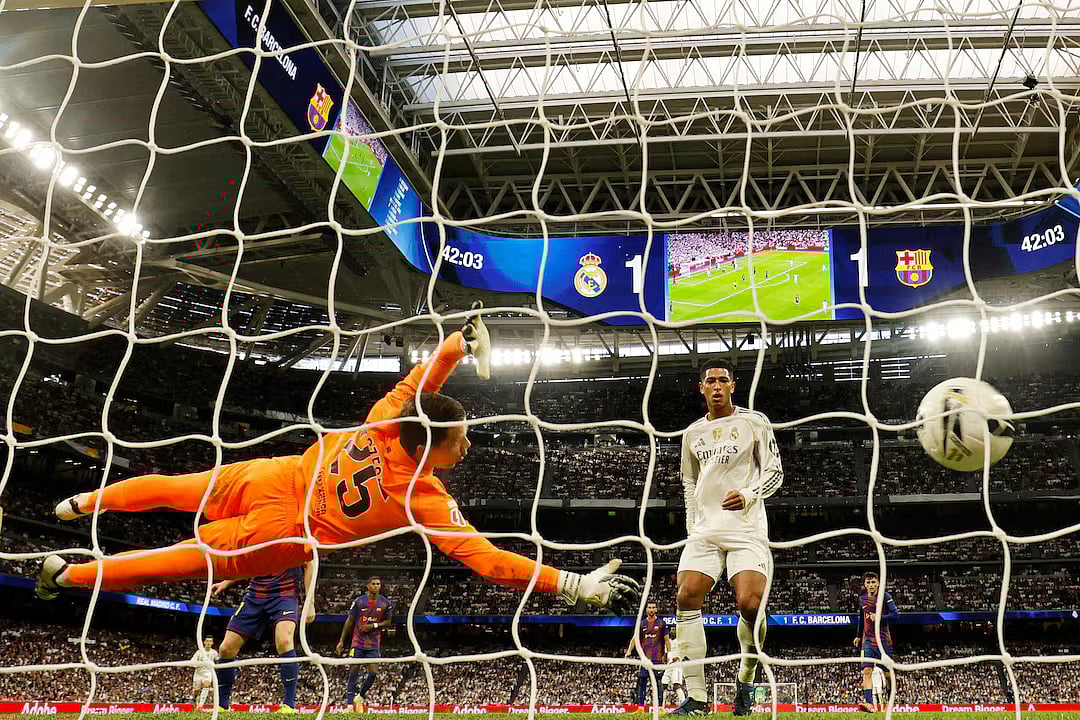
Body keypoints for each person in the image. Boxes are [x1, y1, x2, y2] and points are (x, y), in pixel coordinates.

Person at [35, 305, 640, 618]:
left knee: (175, 486)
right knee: (178, 562)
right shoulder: (423, 497)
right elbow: (489, 561)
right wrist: (568, 583)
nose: (468, 446)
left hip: (277, 473)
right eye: (459, 441)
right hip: (287, 531)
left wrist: (458, 344)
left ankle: (83, 503)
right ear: (426, 449)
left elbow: (420, 381)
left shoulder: (387, 417)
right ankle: (66, 576)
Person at [670, 359, 784, 717]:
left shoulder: (755, 422)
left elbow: (775, 472)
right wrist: (692, 526)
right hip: (705, 531)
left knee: (750, 603)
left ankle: (746, 679)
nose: (716, 386)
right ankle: (697, 698)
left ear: (733, 385)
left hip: (746, 529)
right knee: (686, 595)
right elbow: (689, 482)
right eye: (710, 381)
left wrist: (749, 495)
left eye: (723, 380)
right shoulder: (692, 433)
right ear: (701, 388)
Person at [210, 564, 316, 712]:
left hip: (285, 593)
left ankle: (289, 705)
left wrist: (310, 603)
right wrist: (227, 582)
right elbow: (250, 564)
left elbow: (310, 563)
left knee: (284, 641)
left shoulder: (295, 546)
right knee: (226, 648)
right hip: (255, 594)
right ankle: (222, 705)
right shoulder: (256, 546)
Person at [336, 576, 392, 711]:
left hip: (373, 644)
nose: (376, 586)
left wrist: (374, 626)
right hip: (357, 642)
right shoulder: (359, 602)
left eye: (378, 584)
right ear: (368, 586)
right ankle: (350, 704)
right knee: (353, 671)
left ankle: (360, 696)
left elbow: (388, 622)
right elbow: (350, 620)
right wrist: (342, 640)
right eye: (373, 584)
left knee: (373, 674)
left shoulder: (385, 603)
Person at [854, 572, 898, 713]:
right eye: (868, 582)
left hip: (883, 640)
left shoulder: (885, 597)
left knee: (888, 674)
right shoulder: (862, 599)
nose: (871, 585)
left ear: (878, 583)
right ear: (865, 584)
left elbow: (895, 615)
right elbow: (862, 618)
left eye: (873, 582)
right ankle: (869, 704)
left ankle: (890, 703)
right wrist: (858, 636)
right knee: (867, 671)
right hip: (867, 641)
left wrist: (879, 617)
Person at [625, 600, 670, 706]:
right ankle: (640, 707)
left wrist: (669, 654)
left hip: (658, 658)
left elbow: (667, 640)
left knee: (658, 683)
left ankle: (660, 707)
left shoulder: (661, 623)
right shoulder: (642, 624)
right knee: (642, 682)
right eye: (649, 607)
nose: (651, 609)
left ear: (656, 609)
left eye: (653, 607)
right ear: (646, 609)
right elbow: (635, 638)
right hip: (645, 658)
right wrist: (629, 650)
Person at [191, 636, 218, 709]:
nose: (209, 643)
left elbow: (218, 660)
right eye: (207, 641)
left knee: (206, 685)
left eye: (210, 641)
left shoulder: (214, 653)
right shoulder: (199, 652)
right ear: (204, 642)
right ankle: (195, 702)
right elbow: (192, 661)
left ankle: (200, 706)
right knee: (196, 691)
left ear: (212, 643)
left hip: (208, 673)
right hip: (198, 673)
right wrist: (195, 664)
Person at [661, 635, 686, 707]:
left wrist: (675, 658)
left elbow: (681, 653)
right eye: (671, 629)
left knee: (676, 686)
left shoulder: (679, 641)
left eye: (674, 629)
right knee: (663, 684)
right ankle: (662, 706)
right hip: (669, 666)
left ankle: (683, 705)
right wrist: (664, 658)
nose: (672, 630)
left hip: (677, 666)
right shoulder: (668, 642)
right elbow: (666, 654)